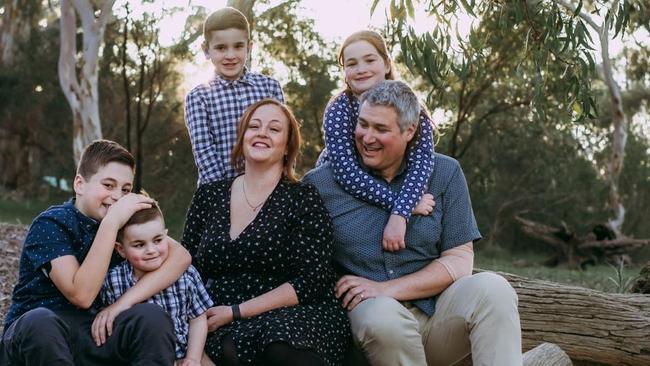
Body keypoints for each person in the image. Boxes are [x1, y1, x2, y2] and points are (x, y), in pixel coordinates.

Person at [304, 81, 522, 366]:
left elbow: (459, 261)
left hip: (436, 315)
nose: (367, 137)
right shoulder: (321, 183)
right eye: (363, 124)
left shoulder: (445, 172)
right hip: (367, 326)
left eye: (381, 129)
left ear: (409, 131)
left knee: (494, 289)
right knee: (382, 319)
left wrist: (387, 288)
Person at [182, 99, 349, 366]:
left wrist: (237, 312)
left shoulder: (302, 197)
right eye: (254, 126)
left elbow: (312, 280)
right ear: (242, 138)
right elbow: (186, 266)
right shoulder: (208, 196)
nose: (262, 133)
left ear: (287, 147)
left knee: (279, 346)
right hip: (219, 318)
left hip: (293, 313)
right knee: (227, 349)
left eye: (274, 129)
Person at [0, 139, 191, 366]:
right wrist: (110, 224)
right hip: (37, 338)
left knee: (152, 317)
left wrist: (122, 304)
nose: (118, 197)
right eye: (108, 185)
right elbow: (81, 295)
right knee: (40, 322)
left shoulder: (124, 223)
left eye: (126, 189)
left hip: (93, 333)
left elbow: (180, 256)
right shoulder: (51, 224)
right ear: (80, 184)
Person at [318, 30, 435, 253]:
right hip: (345, 187)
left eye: (370, 60)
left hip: (392, 180)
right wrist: (403, 206)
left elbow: (422, 164)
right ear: (344, 71)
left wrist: (400, 214)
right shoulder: (338, 109)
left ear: (387, 63)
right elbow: (345, 172)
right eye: (351, 64)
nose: (361, 69)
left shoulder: (412, 108)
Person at [99, 200, 214, 366]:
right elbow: (114, 327)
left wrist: (193, 358)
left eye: (158, 240)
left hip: (182, 357)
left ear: (166, 235)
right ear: (121, 249)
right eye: (139, 245)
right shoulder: (114, 280)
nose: (151, 250)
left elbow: (197, 319)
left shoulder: (186, 274)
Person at [185, 6, 285, 186]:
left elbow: (283, 140)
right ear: (206, 50)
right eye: (221, 48)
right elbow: (204, 150)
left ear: (249, 46)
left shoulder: (270, 87)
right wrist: (225, 195)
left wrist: (279, 182)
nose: (230, 55)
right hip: (218, 192)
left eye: (238, 46)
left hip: (267, 188)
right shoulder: (199, 97)